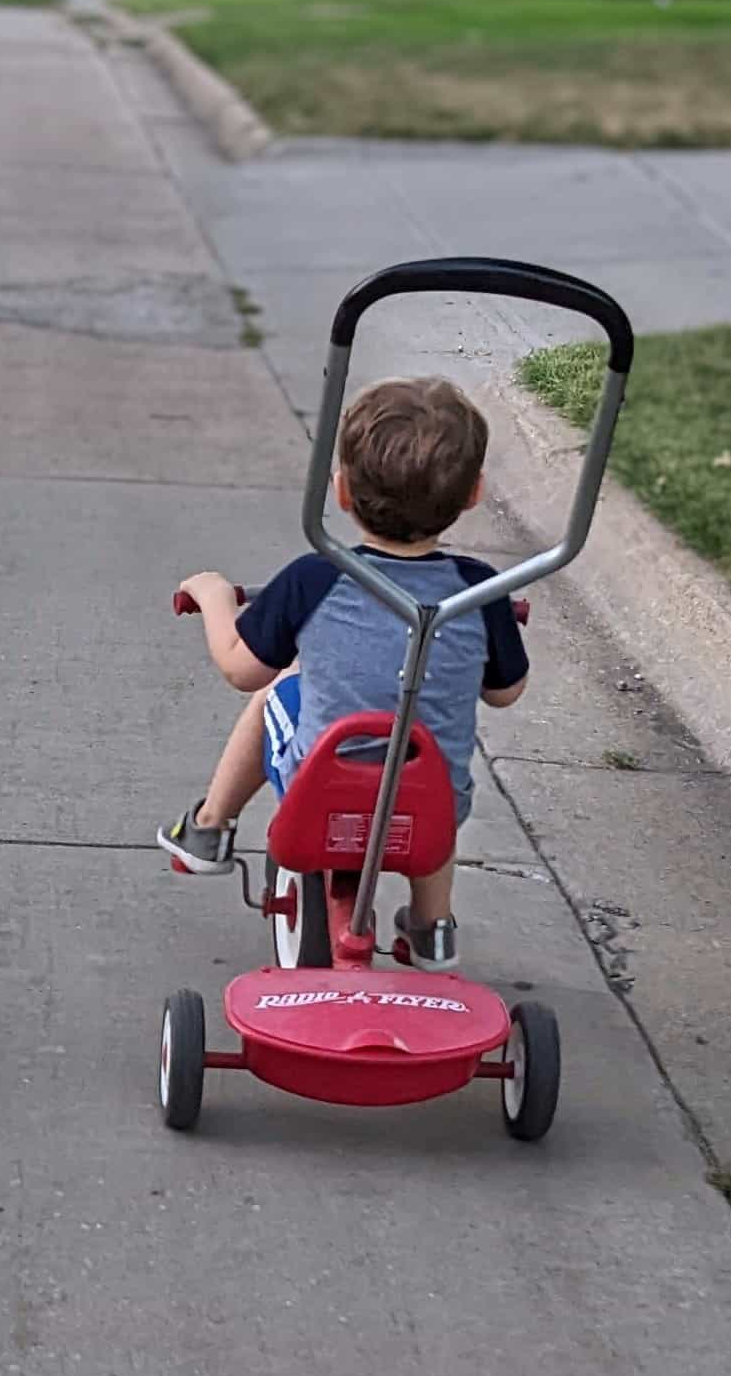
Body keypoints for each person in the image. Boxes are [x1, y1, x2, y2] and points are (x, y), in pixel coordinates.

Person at [156, 376, 529, 971]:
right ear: (473, 493)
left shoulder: (315, 577)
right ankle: (433, 929)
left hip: (322, 791)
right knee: (431, 769)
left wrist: (214, 597)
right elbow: (506, 692)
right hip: (430, 810)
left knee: (279, 690)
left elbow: (240, 668)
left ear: (341, 491)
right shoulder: (478, 589)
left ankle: (209, 828)